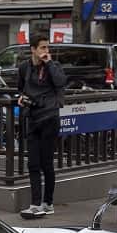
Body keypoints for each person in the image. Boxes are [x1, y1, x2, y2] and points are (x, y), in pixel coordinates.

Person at [17, 33, 67, 219]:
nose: (46, 51)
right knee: (33, 164)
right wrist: (21, 98)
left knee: (47, 163)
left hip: (50, 117)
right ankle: (35, 204)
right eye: (42, 48)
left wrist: (50, 63)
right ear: (33, 49)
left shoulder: (53, 66)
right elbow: (20, 88)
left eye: (48, 47)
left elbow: (61, 82)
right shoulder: (24, 67)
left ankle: (48, 203)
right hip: (32, 117)